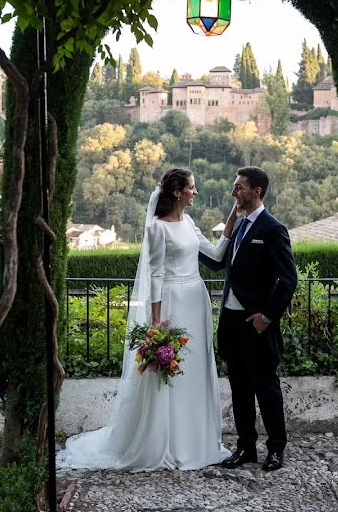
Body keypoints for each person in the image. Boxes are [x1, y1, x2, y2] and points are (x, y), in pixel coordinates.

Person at [57, 168, 237, 471]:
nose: (195, 192)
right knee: (168, 375)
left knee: (195, 370)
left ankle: (196, 440)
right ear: (178, 192)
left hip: (196, 299)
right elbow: (155, 275)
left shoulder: (190, 221)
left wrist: (234, 213)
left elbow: (217, 255)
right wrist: (155, 322)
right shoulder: (157, 228)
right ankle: (168, 442)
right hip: (173, 302)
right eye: (192, 187)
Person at [201, 166, 298, 472]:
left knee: (266, 388)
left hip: (256, 324)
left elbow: (288, 279)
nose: (234, 192)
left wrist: (267, 317)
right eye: (234, 186)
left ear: (257, 192)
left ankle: (276, 450)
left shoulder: (272, 228)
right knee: (240, 387)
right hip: (230, 322)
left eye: (239, 187)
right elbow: (217, 263)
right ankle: (246, 448)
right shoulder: (240, 225)